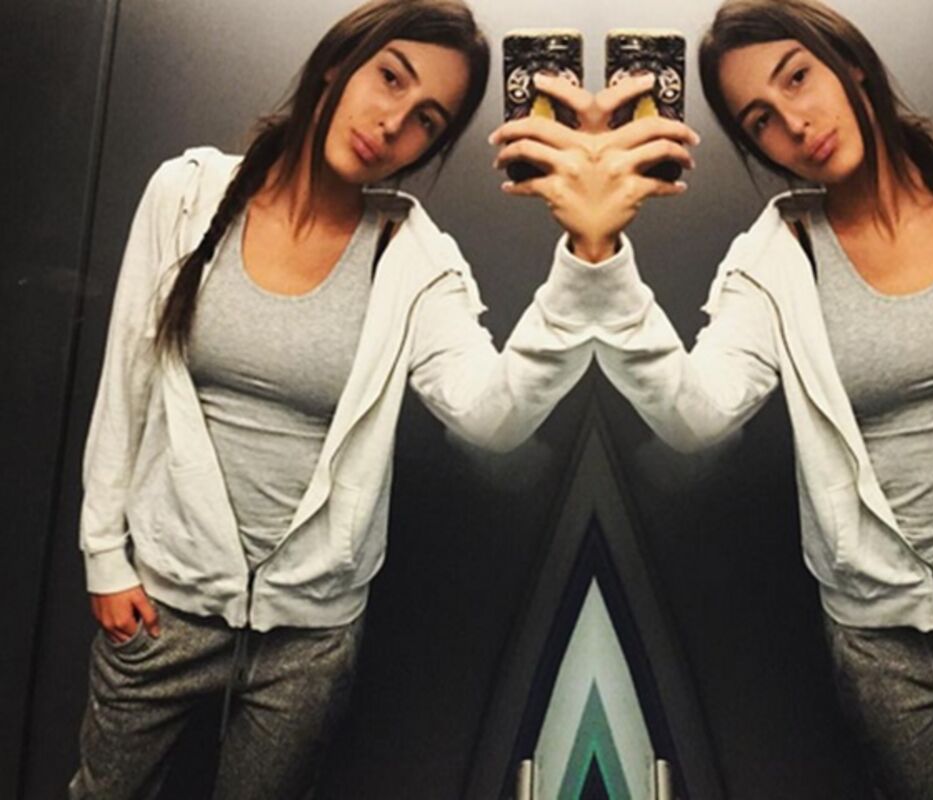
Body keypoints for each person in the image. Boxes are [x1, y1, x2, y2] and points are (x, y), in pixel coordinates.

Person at [490, 1, 933, 797]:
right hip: (878, 636)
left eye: (797, 79)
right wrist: (603, 254)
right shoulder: (775, 255)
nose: (794, 123)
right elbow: (697, 418)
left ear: (849, 63)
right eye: (761, 119)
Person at [70, 1, 654, 796]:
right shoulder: (187, 195)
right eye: (390, 79)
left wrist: (585, 255)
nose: (393, 124)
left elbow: (490, 417)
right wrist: (106, 558)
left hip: (309, 637)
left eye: (426, 120)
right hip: (162, 606)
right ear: (337, 65)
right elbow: (127, 380)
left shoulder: (412, 255)